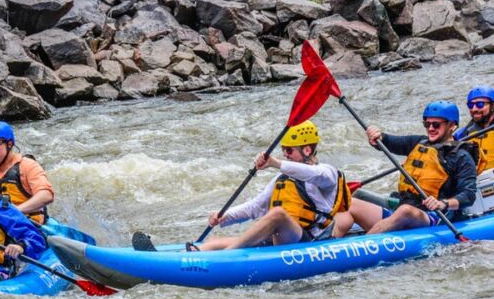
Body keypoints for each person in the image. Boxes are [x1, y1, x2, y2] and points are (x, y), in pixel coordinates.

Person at [171, 120, 353, 251]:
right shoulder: (282, 179)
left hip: (309, 240)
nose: (285, 155)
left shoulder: (326, 173)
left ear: (307, 150)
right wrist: (223, 217)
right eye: (283, 151)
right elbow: (255, 207)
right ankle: (191, 254)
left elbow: (312, 174)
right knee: (215, 241)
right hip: (282, 237)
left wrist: (275, 163)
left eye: (289, 151)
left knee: (278, 214)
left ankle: (228, 256)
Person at [349, 101, 477, 234]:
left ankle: (365, 244)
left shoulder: (462, 156)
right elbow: (389, 142)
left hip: (433, 217)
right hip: (400, 211)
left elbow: (468, 195)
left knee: (406, 211)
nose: (431, 128)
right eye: (427, 124)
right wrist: (378, 137)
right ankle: (330, 243)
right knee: (350, 203)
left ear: (452, 125)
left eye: (436, 124)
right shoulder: (418, 142)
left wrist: (443, 203)